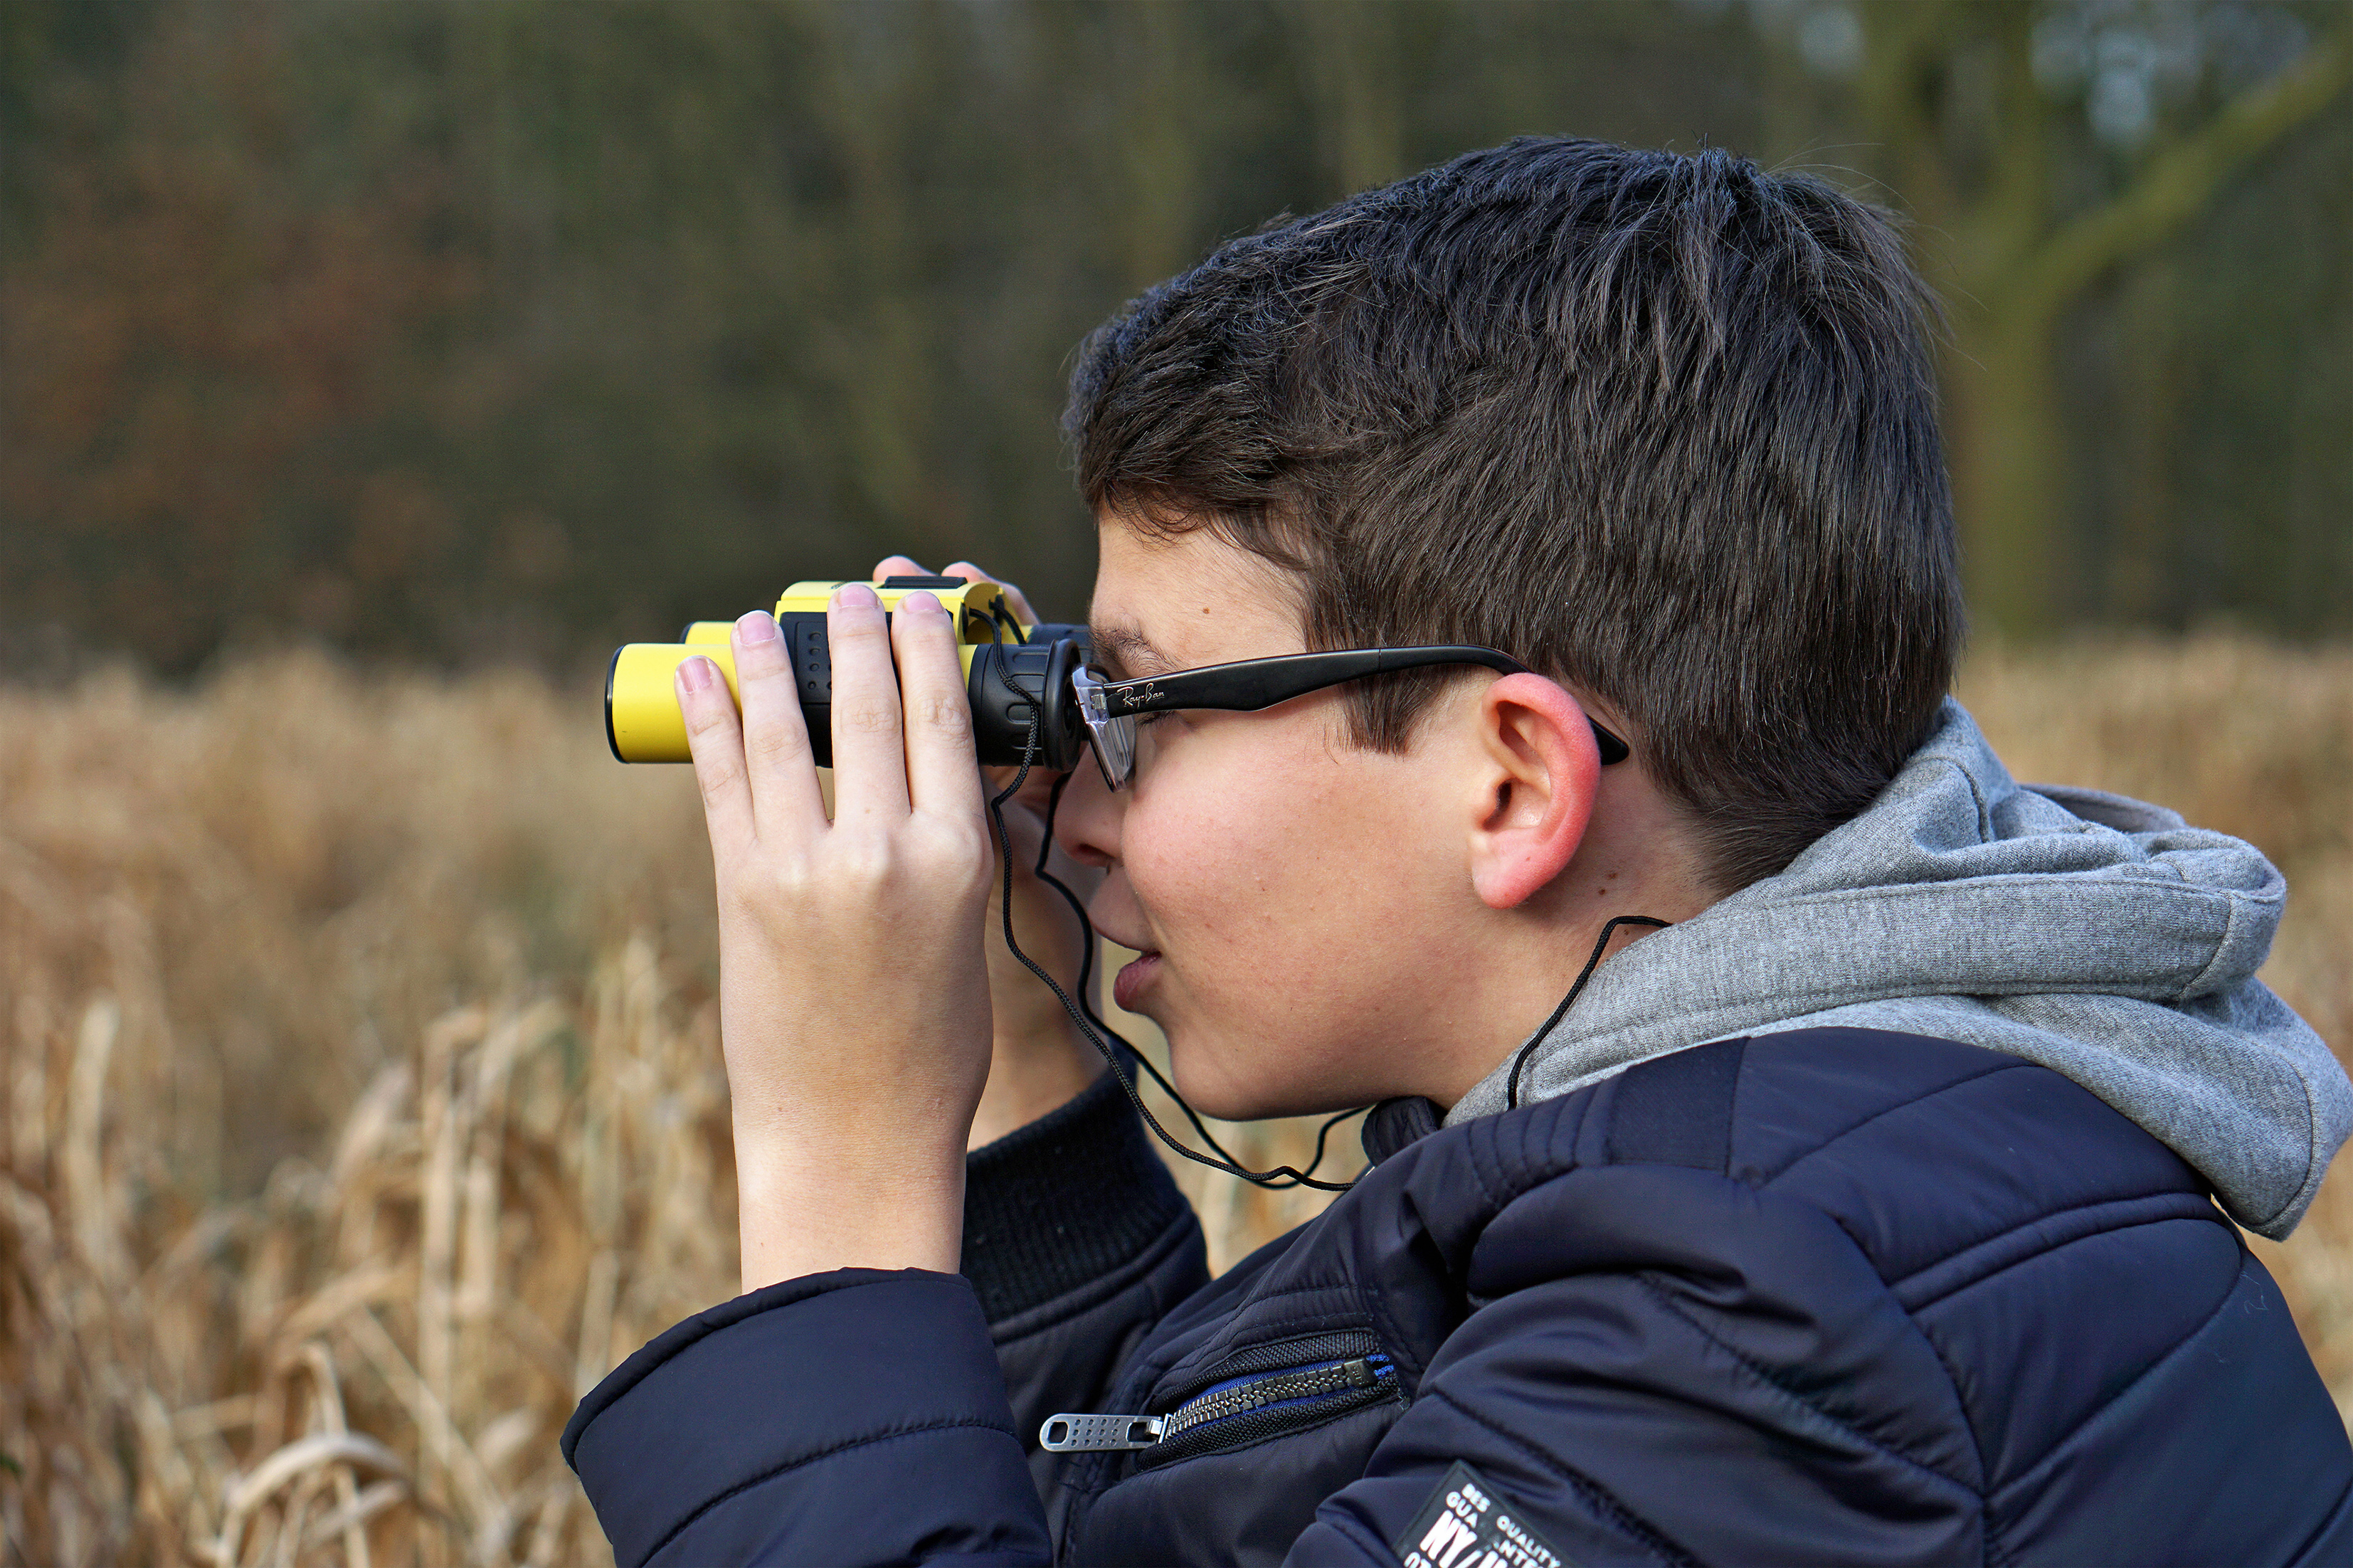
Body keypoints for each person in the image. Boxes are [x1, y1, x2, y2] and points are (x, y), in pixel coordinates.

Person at [561, 139, 2353, 1566]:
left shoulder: (1767, 1333)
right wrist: (1018, 1063)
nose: (1074, 802)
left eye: (1143, 708)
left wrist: (837, 1198)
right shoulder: (1788, 1157)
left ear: (1510, 785)